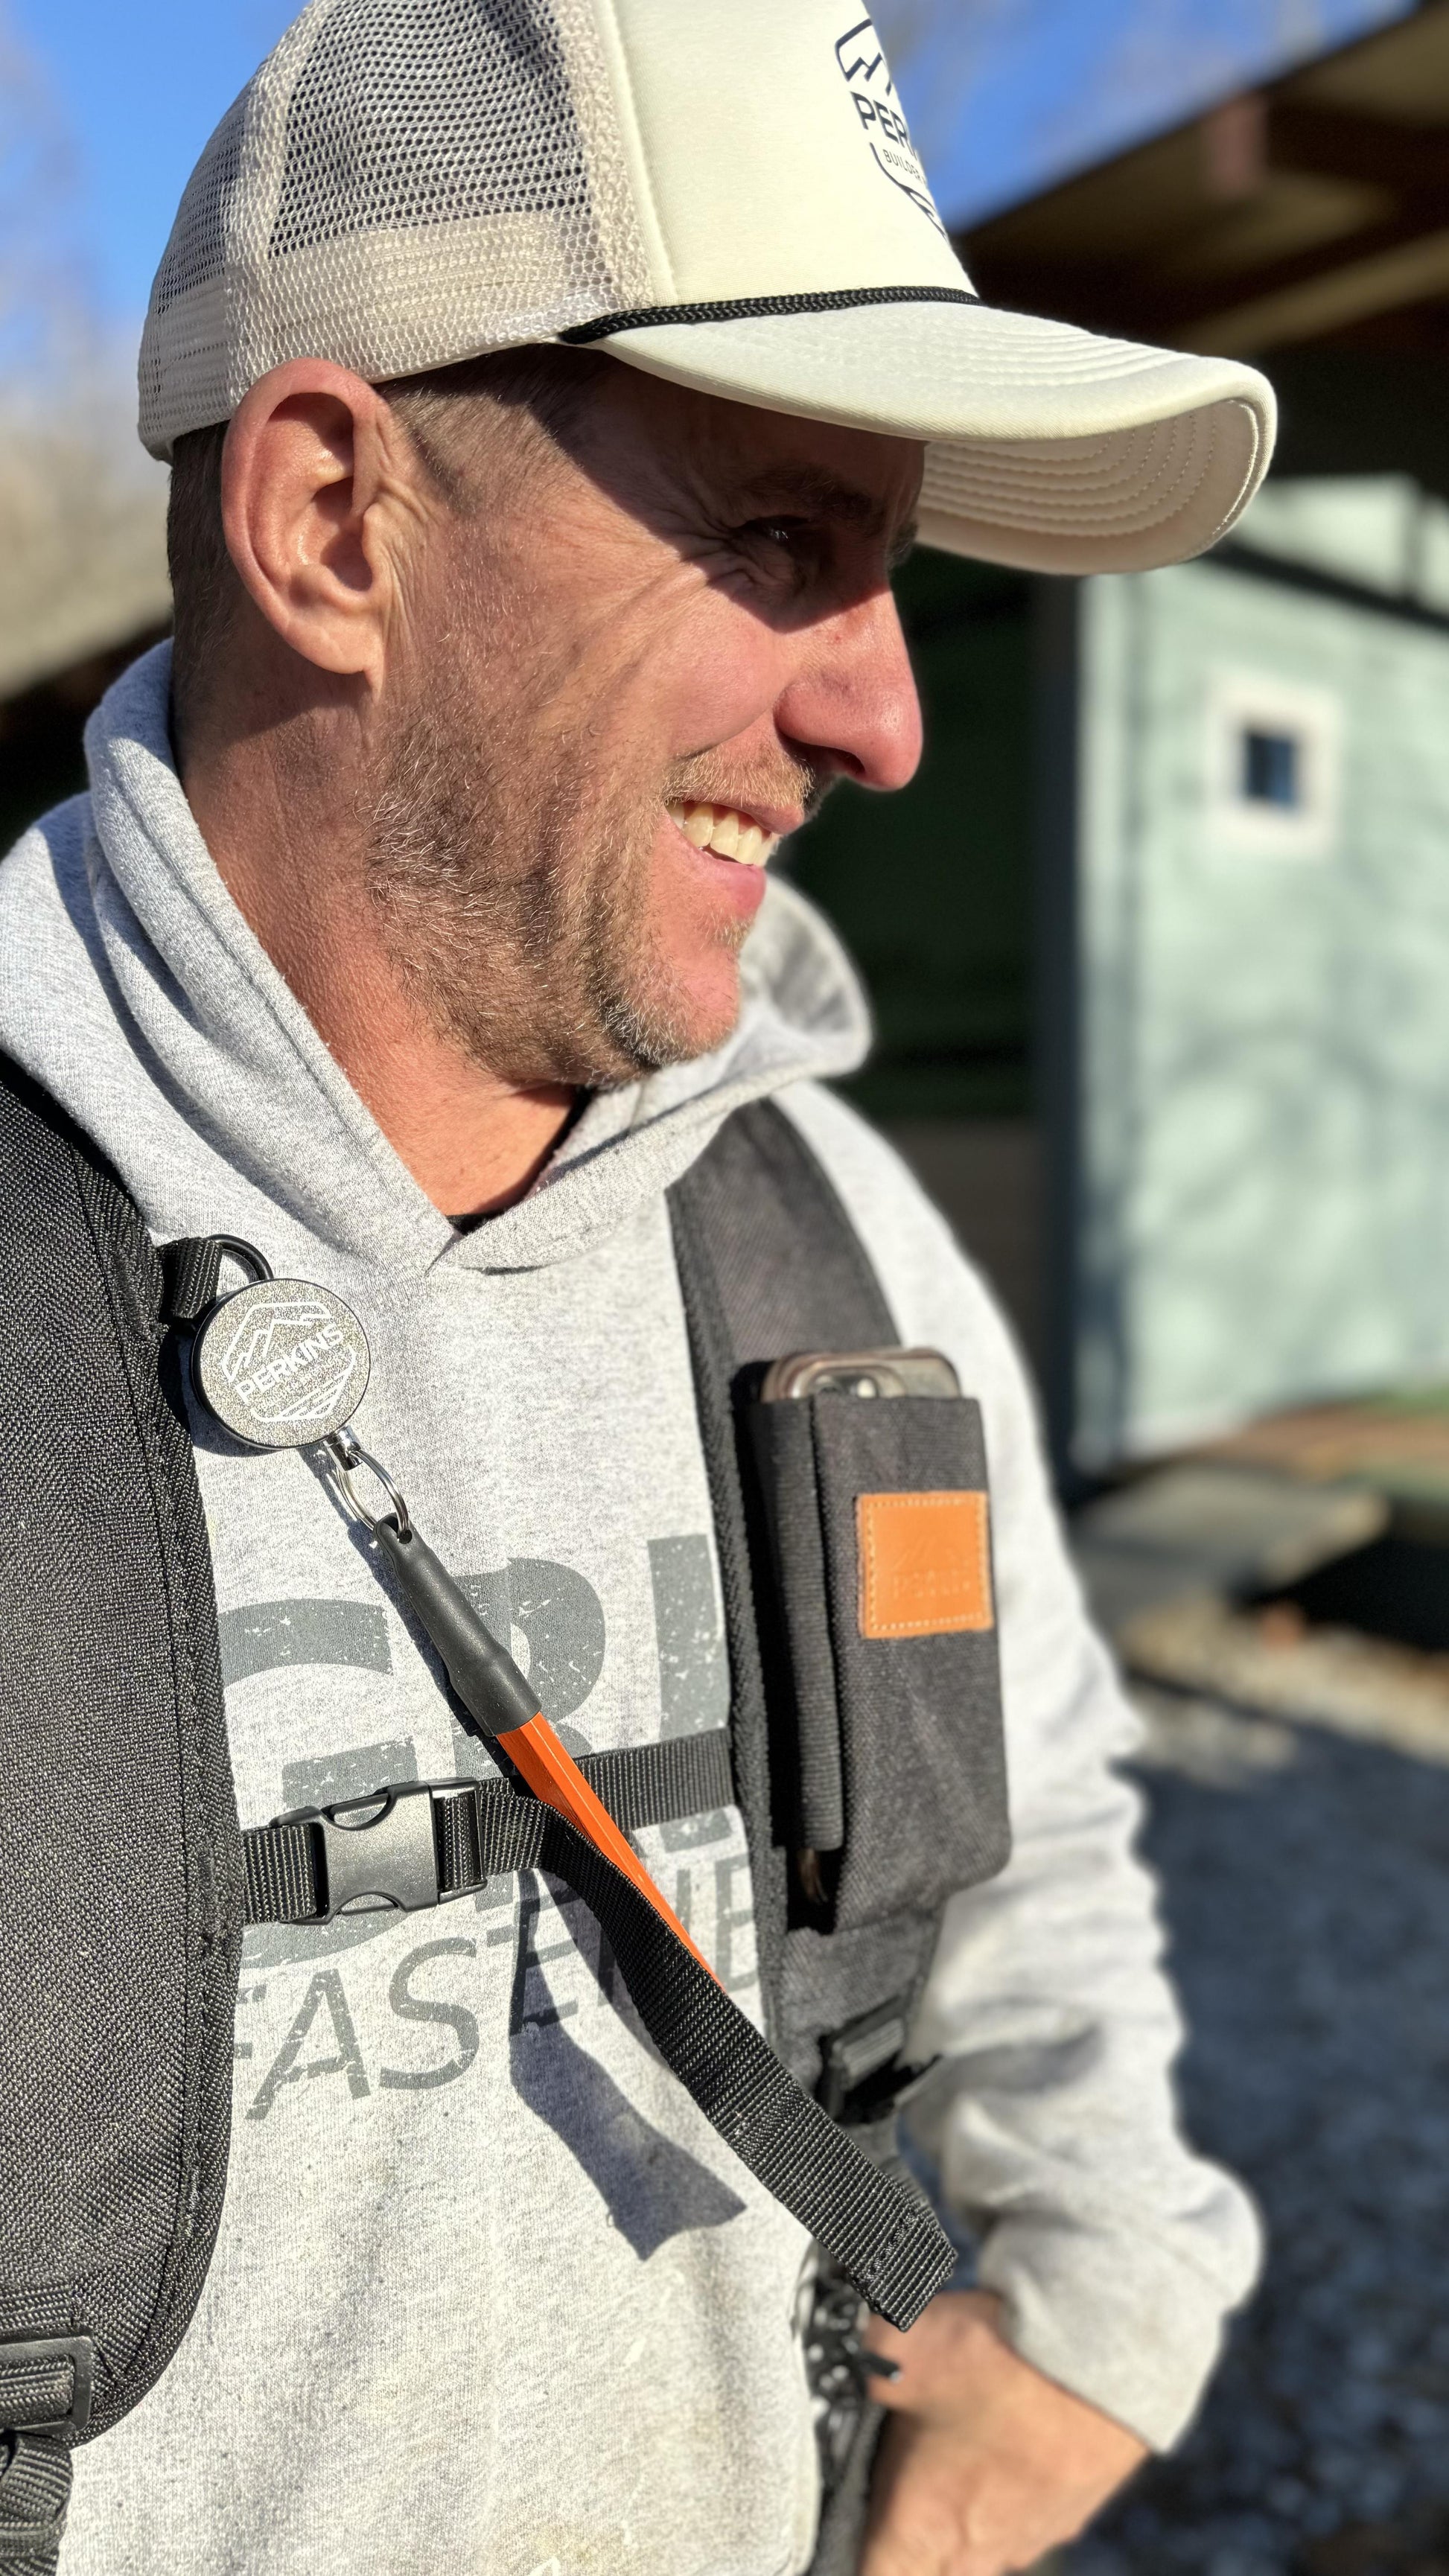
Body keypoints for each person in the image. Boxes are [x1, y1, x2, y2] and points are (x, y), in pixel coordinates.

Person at [0, 4, 1276, 2571]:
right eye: (783, 538)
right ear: (333, 520)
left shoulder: (827, 1237)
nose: (885, 714)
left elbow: (1038, 1835)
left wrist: (1107, 2304)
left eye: (891, 567)